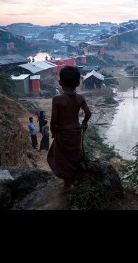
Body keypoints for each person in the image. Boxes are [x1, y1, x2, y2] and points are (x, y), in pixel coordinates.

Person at [47, 65, 92, 194]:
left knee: (62, 158)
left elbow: (54, 120)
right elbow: (88, 114)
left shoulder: (57, 99)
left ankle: (67, 184)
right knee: (74, 156)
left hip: (63, 132)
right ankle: (74, 179)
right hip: (76, 132)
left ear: (60, 83)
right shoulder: (80, 98)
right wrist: (84, 123)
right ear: (78, 83)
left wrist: (53, 132)